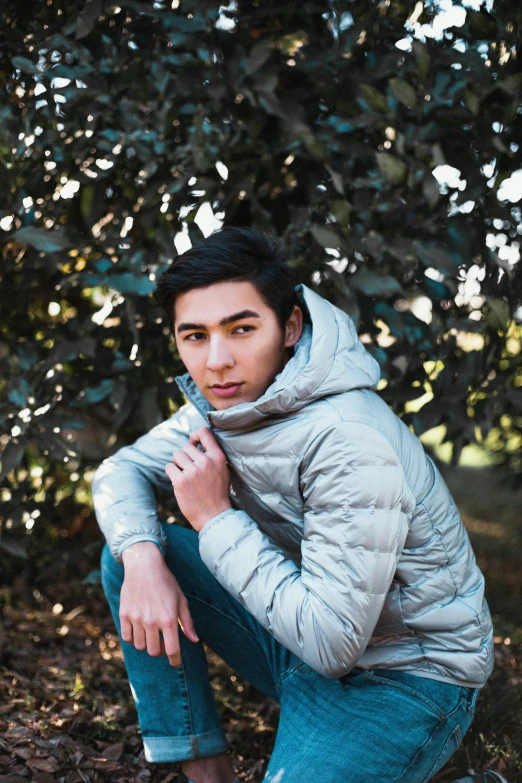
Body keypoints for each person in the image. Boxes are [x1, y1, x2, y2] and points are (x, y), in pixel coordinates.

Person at [92, 226, 497, 783]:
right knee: (133, 550)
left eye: (241, 329)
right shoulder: (229, 405)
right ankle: (206, 772)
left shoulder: (348, 439)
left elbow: (332, 645)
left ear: (290, 327)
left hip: (405, 677)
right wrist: (140, 556)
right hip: (299, 639)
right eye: (195, 336)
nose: (216, 361)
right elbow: (120, 471)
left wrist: (214, 518)